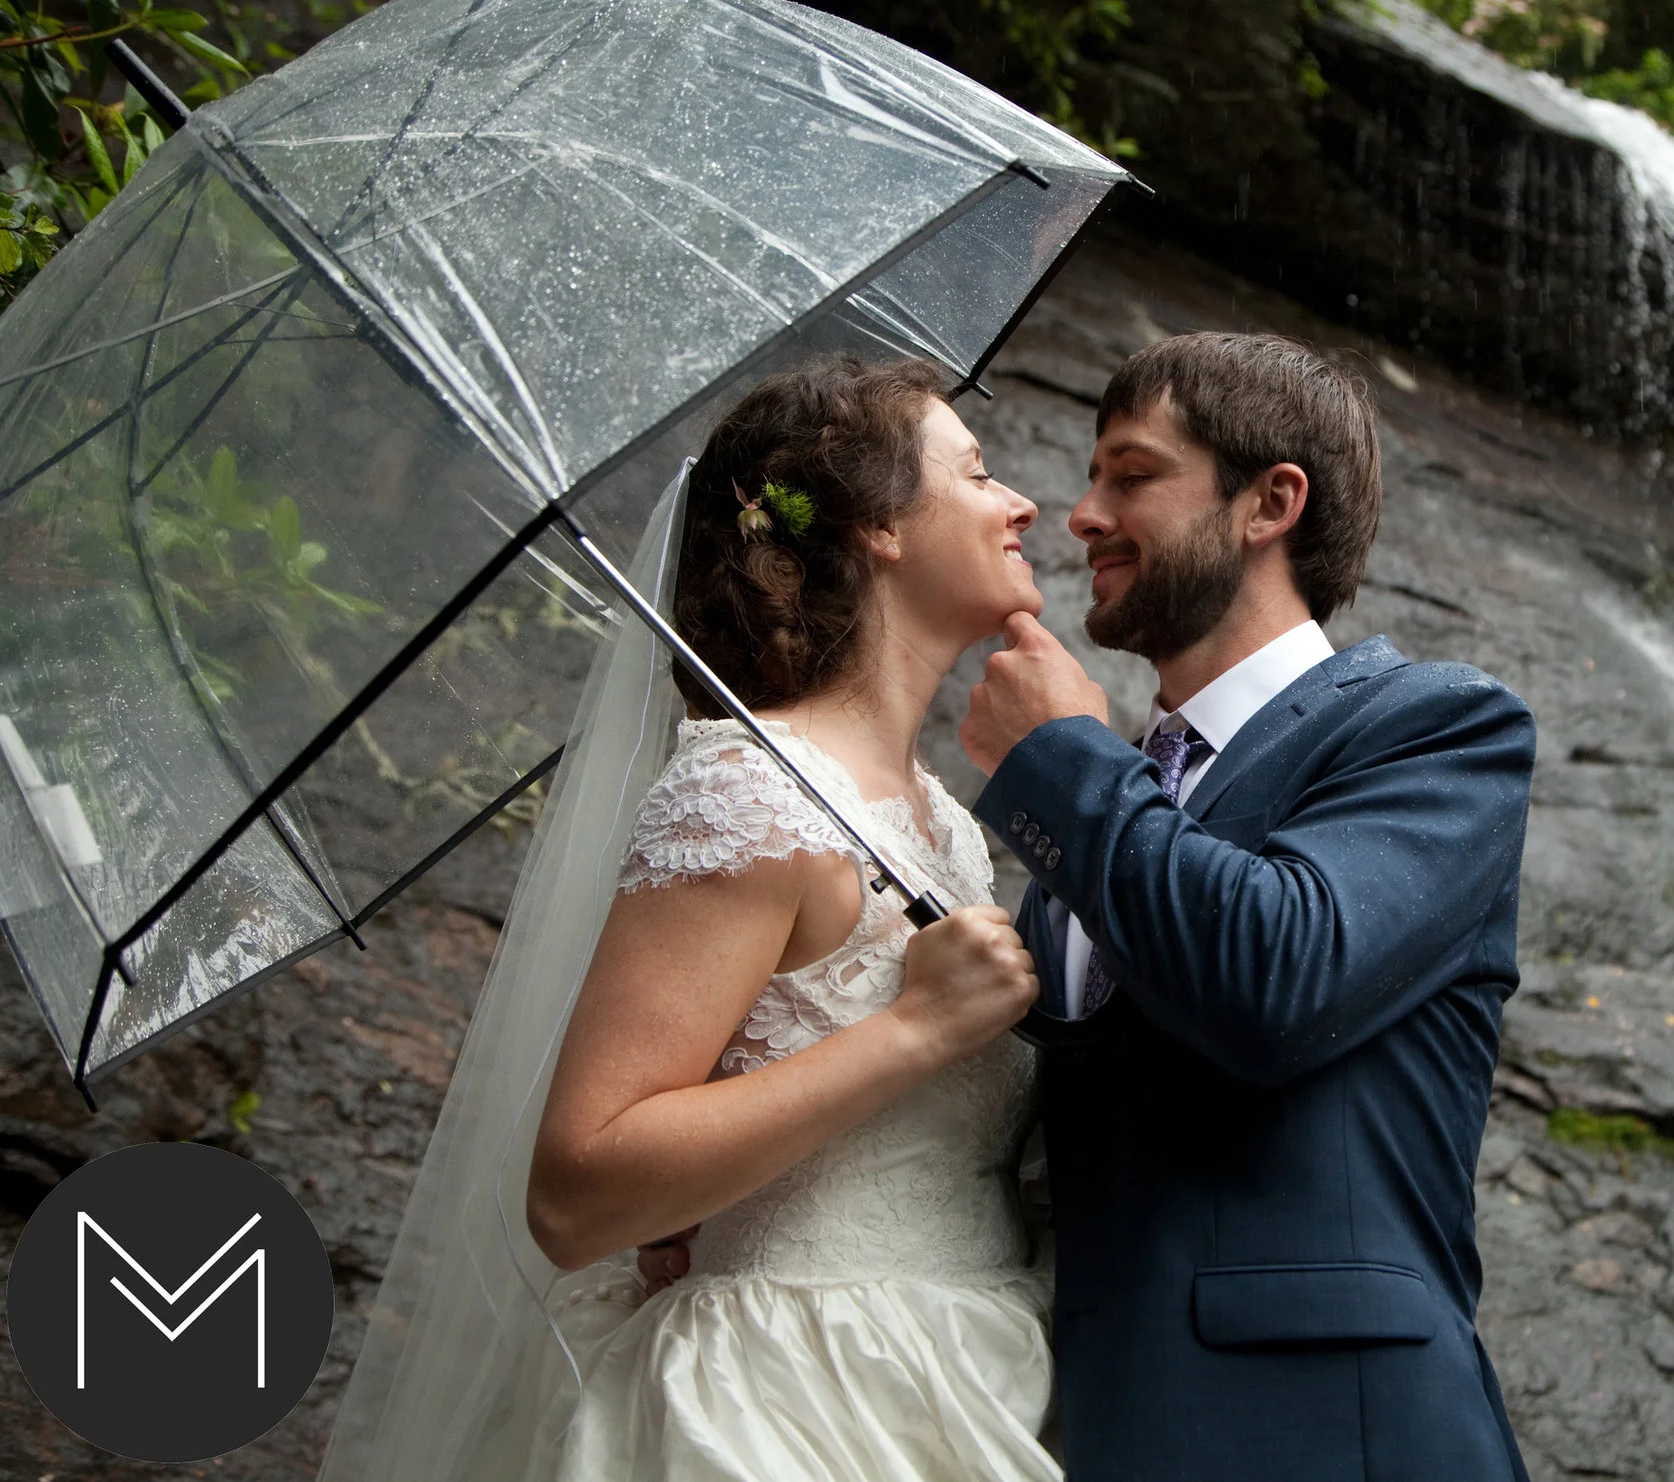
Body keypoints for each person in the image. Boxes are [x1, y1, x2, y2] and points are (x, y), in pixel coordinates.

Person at [327, 352, 1064, 1482]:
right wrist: (912, 1029)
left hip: (963, 1371)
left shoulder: (943, 827)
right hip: (782, 1403)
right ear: (879, 528)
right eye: (974, 473)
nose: (1019, 503)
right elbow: (576, 1191)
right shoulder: (748, 794)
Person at [958, 332, 1538, 1482]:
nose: (1083, 514)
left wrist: (1061, 757)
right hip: (1096, 1423)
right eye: (1092, 477)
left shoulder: (1437, 726)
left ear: (1269, 502)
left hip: (1334, 1432)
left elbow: (1275, 977)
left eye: (1132, 473)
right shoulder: (1114, 802)